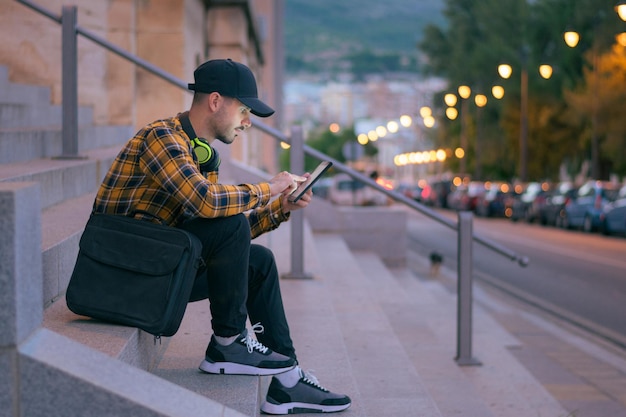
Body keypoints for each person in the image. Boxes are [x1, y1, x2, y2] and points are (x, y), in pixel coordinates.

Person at [92, 58, 351, 415]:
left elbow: (229, 237)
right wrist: (268, 187)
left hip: (153, 267)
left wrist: (281, 209)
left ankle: (287, 381)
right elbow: (207, 204)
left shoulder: (199, 154)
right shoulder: (161, 138)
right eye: (244, 110)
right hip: (118, 279)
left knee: (258, 262)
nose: (247, 122)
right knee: (227, 220)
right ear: (215, 101)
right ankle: (228, 342)